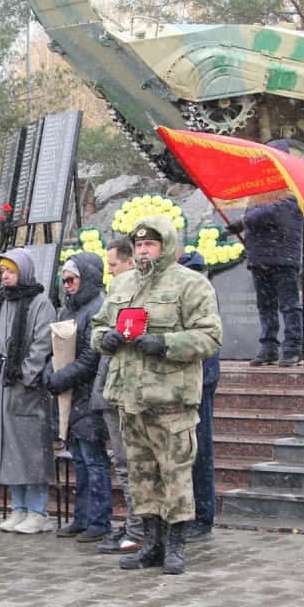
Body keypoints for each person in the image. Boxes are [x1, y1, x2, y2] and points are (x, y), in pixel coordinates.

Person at [91, 216, 222, 575]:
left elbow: (210, 336)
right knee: (141, 476)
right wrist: (106, 339)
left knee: (176, 475)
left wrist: (167, 343)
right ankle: (151, 544)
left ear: (166, 246)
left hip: (171, 400)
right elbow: (97, 327)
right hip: (129, 399)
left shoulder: (191, 285)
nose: (144, 251)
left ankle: (176, 546)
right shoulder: (122, 284)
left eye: (151, 244)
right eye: (139, 245)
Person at [0, 247, 56, 535]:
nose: (6, 276)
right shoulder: (0, 302)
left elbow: (41, 344)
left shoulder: (40, 303)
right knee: (9, 450)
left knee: (30, 450)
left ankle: (38, 510)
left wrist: (24, 375)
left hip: (26, 390)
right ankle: (18, 506)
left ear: (23, 271)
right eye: (3, 272)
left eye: (10, 271)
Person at [46, 252, 112, 542]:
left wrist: (60, 378)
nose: (66, 282)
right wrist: (51, 371)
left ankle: (98, 521)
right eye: (65, 277)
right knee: (82, 462)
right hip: (73, 398)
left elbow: (90, 358)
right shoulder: (69, 309)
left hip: (89, 397)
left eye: (72, 276)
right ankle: (82, 518)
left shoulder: (97, 308)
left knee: (94, 461)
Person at [226, 139, 304, 367]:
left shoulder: (293, 189)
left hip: (284, 257)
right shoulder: (259, 191)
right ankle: (268, 347)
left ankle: (292, 347)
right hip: (260, 257)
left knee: (289, 304)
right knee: (265, 305)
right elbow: (257, 215)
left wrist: (243, 221)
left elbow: (274, 214)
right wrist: (241, 228)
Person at [96, 237, 146, 555]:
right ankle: (135, 527)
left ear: (130, 263)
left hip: (137, 389)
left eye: (113, 265)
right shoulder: (115, 293)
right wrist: (106, 336)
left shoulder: (140, 290)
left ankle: (141, 529)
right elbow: (98, 333)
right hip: (113, 387)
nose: (110, 272)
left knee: (134, 464)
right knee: (125, 465)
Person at [178, 251, 221, 544]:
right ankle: (189, 513)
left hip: (201, 380)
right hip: (186, 380)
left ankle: (203, 517)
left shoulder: (201, 295)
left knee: (200, 451)